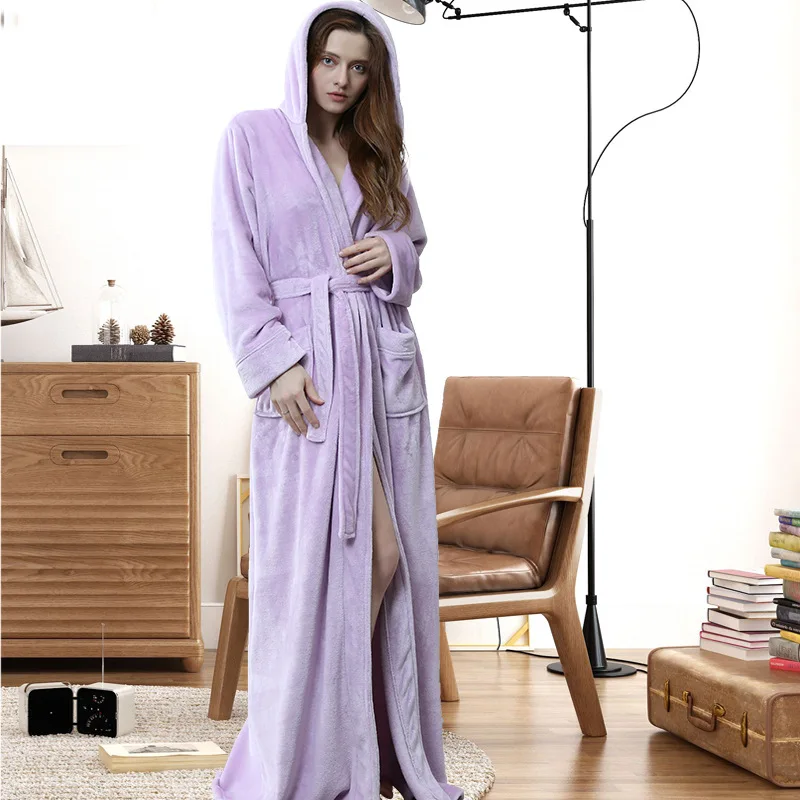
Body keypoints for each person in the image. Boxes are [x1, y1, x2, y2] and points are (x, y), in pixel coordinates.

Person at [210, 2, 465, 799]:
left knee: (388, 558)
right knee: (311, 570)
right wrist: (274, 363)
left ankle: (360, 747)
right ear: (305, 59)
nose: (341, 80)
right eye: (330, 61)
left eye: (358, 67)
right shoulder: (251, 136)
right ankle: (307, 753)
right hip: (308, 376)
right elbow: (235, 255)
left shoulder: (376, 150)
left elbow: (412, 249)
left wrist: (390, 254)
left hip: (380, 368)